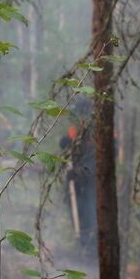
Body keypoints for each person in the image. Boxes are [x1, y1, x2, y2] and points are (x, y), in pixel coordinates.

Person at [59, 97, 97, 258]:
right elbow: (67, 145)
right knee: (79, 213)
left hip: (92, 182)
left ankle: (90, 247)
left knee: (91, 213)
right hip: (77, 181)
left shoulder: (97, 128)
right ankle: (83, 244)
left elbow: (96, 156)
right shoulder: (76, 128)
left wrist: (84, 171)